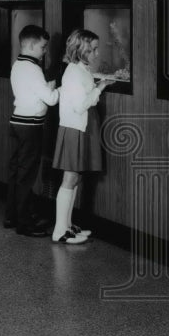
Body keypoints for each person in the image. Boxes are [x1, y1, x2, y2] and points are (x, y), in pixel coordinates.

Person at [51, 29, 110, 244]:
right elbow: (80, 105)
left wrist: (95, 86)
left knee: (75, 177)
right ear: (80, 50)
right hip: (75, 128)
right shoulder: (74, 72)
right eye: (92, 50)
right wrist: (100, 88)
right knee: (70, 178)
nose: (96, 53)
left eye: (96, 48)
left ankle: (67, 226)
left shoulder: (80, 70)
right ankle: (59, 230)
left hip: (80, 127)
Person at [6, 24, 59, 237]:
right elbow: (51, 99)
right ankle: (24, 223)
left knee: (16, 171)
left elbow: (32, 91)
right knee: (27, 175)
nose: (45, 51)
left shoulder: (18, 64)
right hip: (30, 126)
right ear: (31, 45)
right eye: (43, 47)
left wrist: (45, 86)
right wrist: (56, 87)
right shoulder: (34, 68)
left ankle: (12, 216)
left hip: (17, 122)